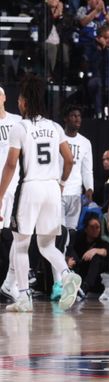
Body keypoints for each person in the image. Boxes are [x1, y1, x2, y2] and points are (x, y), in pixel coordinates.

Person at [0, 76, 81, 313]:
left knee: (21, 243)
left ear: (24, 102)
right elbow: (69, 159)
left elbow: (11, 164)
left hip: (30, 188)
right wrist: (63, 182)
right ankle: (66, 276)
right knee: (46, 245)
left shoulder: (20, 127)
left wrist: (1, 193)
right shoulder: (55, 127)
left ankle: (24, 297)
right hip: (52, 189)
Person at [60, 106, 94, 248]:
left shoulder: (85, 142)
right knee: (58, 232)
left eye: (79, 116)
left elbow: (87, 169)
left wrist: (89, 188)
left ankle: (65, 264)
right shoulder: (58, 137)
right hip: (58, 191)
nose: (77, 119)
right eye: (73, 115)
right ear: (66, 119)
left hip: (75, 192)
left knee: (71, 231)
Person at [0, 87, 21, 301]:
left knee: (13, 235)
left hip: (15, 187)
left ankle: (10, 284)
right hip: (0, 189)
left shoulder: (17, 121)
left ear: (5, 97)